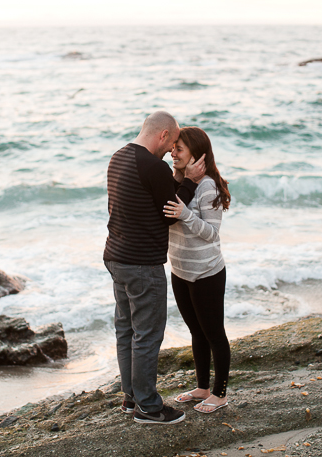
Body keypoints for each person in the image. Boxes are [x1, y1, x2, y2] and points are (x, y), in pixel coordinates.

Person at [103, 111, 205, 425]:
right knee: (147, 334)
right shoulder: (153, 166)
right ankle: (148, 406)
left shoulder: (118, 157)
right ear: (162, 135)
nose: (171, 149)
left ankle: (131, 398)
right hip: (142, 263)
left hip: (115, 256)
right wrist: (190, 181)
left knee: (126, 330)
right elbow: (172, 211)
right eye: (172, 141)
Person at [163, 126, 231, 413]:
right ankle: (202, 386)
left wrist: (186, 215)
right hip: (180, 270)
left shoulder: (208, 186)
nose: (172, 152)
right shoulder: (177, 181)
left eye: (179, 148)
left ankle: (220, 393)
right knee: (196, 331)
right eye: (173, 147)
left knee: (214, 332)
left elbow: (212, 234)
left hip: (206, 273)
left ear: (197, 155)